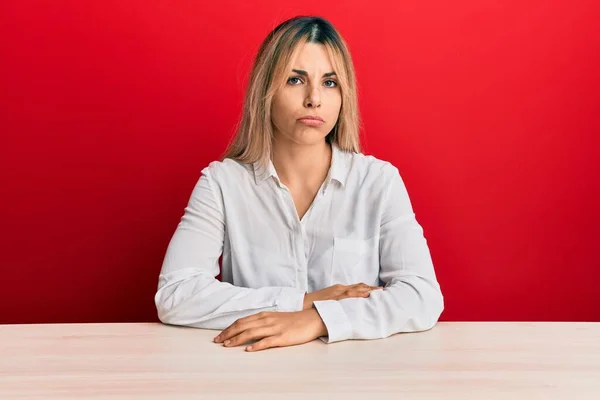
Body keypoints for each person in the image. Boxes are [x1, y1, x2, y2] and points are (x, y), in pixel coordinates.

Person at [154, 15, 444, 352]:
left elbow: (422, 296)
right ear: (266, 90)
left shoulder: (378, 181)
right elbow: (175, 295)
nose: (314, 99)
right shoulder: (221, 184)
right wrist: (303, 300)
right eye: (295, 80)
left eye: (330, 83)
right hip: (252, 371)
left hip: (355, 377)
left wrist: (318, 319)